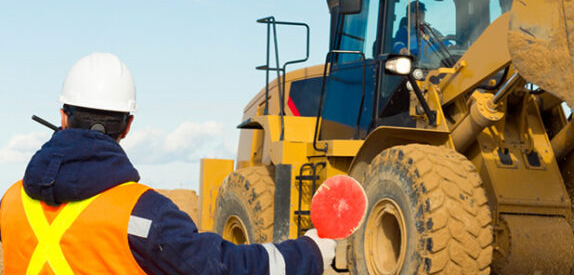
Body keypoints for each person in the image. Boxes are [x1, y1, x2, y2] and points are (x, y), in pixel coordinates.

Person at [0, 52, 335, 275]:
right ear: (128, 125)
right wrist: (311, 251)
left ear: (62, 116)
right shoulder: (145, 214)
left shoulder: (11, 200)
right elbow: (228, 266)